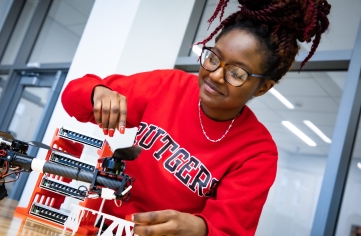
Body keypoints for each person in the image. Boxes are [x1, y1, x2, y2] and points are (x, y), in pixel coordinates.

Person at [61, 0, 331, 235]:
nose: (215, 74)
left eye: (236, 73)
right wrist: (97, 93)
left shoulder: (258, 152)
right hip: (99, 224)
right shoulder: (170, 86)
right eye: (214, 58)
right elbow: (73, 97)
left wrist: (200, 228)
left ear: (262, 87)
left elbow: (230, 229)